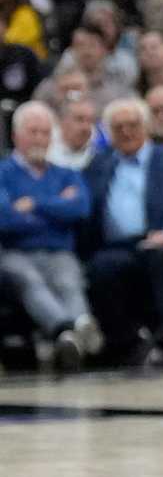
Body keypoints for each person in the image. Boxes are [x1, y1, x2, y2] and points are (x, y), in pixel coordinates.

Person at [81, 97, 163, 365]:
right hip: (117, 245)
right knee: (101, 267)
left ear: (146, 126)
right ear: (109, 133)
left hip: (159, 236)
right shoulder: (98, 163)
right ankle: (127, 342)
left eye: (132, 125)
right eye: (118, 128)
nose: (126, 132)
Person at [0, 102, 99, 370]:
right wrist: (56, 208)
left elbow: (80, 209)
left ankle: (77, 328)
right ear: (16, 135)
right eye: (33, 132)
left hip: (58, 251)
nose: (40, 139)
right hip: (14, 253)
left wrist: (34, 204)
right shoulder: (4, 173)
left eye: (45, 133)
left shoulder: (65, 174)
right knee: (29, 281)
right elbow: (5, 219)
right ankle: (66, 330)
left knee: (69, 281)